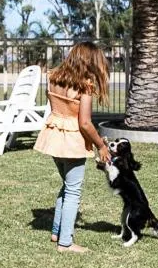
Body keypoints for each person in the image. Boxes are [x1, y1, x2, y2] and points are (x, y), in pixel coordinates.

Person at [34, 42, 111, 254]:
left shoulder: (54, 78)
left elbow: (57, 109)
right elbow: (85, 123)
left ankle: (57, 231)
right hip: (72, 142)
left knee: (67, 185)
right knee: (73, 190)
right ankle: (65, 242)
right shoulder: (84, 86)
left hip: (54, 137)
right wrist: (101, 145)